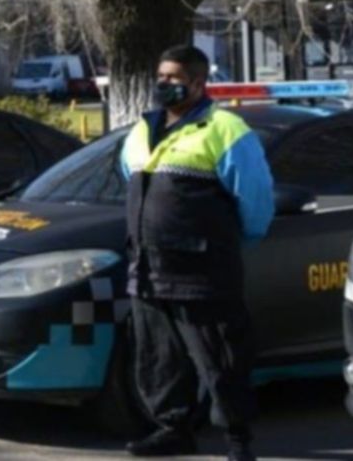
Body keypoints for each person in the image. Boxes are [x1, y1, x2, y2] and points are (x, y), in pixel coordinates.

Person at [120, 45, 274, 461]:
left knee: (220, 361)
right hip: (148, 270)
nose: (163, 84)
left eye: (173, 78)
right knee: (159, 360)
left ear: (198, 82)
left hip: (202, 272)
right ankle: (172, 429)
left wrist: (227, 245)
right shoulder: (142, 129)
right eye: (160, 76)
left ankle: (238, 442)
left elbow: (255, 200)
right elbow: (132, 183)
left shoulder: (225, 128)